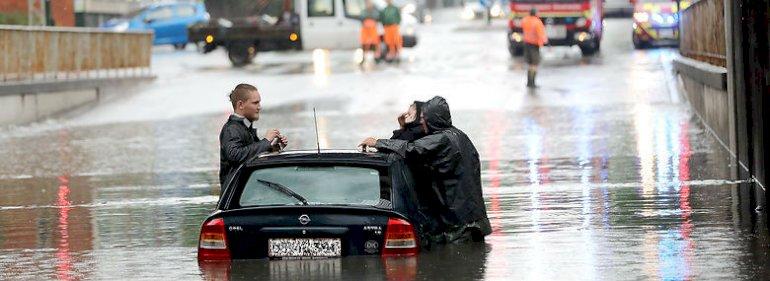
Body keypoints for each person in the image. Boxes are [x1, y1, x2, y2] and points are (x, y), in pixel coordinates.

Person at [360, 96, 492, 243]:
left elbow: (411, 148)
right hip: (475, 222)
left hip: (459, 226)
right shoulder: (460, 136)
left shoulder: (442, 140)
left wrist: (378, 142)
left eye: (424, 118)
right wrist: (403, 128)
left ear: (433, 119)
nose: (422, 121)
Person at [219, 83, 288, 195]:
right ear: (240, 105)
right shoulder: (231, 129)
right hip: (235, 197)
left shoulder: (244, 127)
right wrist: (265, 141)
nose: (259, 107)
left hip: (245, 195)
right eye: (255, 103)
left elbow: (250, 155)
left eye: (259, 102)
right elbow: (235, 156)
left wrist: (272, 149)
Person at [521, 8, 548, 88]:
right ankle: (532, 83)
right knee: (534, 64)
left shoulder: (525, 20)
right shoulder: (537, 22)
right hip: (534, 45)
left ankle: (529, 82)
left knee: (530, 64)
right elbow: (541, 34)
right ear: (535, 13)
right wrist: (544, 43)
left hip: (526, 43)